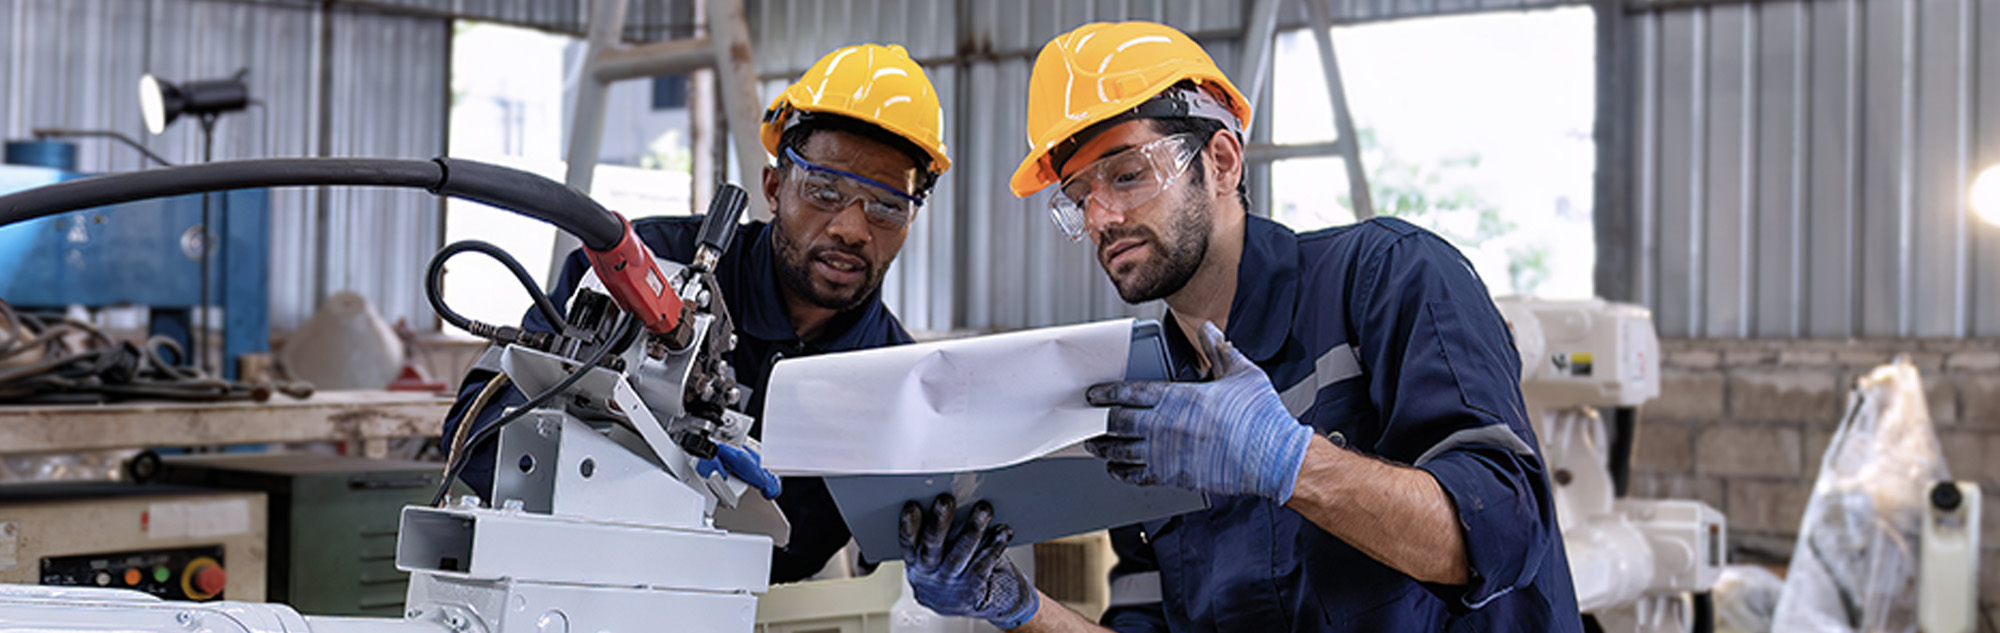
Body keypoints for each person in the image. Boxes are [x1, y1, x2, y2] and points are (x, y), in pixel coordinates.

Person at [895, 21, 1583, 631]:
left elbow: (1504, 531)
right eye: (1080, 197)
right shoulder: (1147, 399)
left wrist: (1291, 462)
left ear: (1221, 162)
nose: (1101, 217)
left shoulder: (1386, 278)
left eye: (1127, 174)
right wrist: (1016, 607)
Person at [440, 42, 951, 584]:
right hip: (580, 578)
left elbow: (887, 545)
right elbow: (476, 431)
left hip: (757, 605)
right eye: (825, 191)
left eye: (888, 206)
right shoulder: (642, 270)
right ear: (774, 188)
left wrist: (934, 559)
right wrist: (649, 474)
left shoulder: (895, 376)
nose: (852, 228)